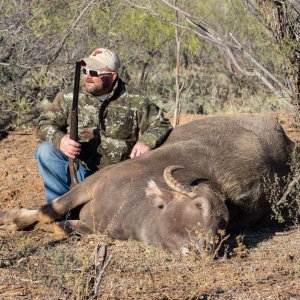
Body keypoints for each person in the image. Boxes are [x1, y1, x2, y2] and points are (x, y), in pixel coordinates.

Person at [35, 48, 172, 202]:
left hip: (116, 177)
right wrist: (60, 139)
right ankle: (59, 208)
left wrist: (145, 142)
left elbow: (161, 123)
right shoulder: (69, 96)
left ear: (112, 76)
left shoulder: (136, 99)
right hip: (79, 171)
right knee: (46, 151)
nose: (87, 77)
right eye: (85, 70)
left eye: (94, 73)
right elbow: (44, 123)